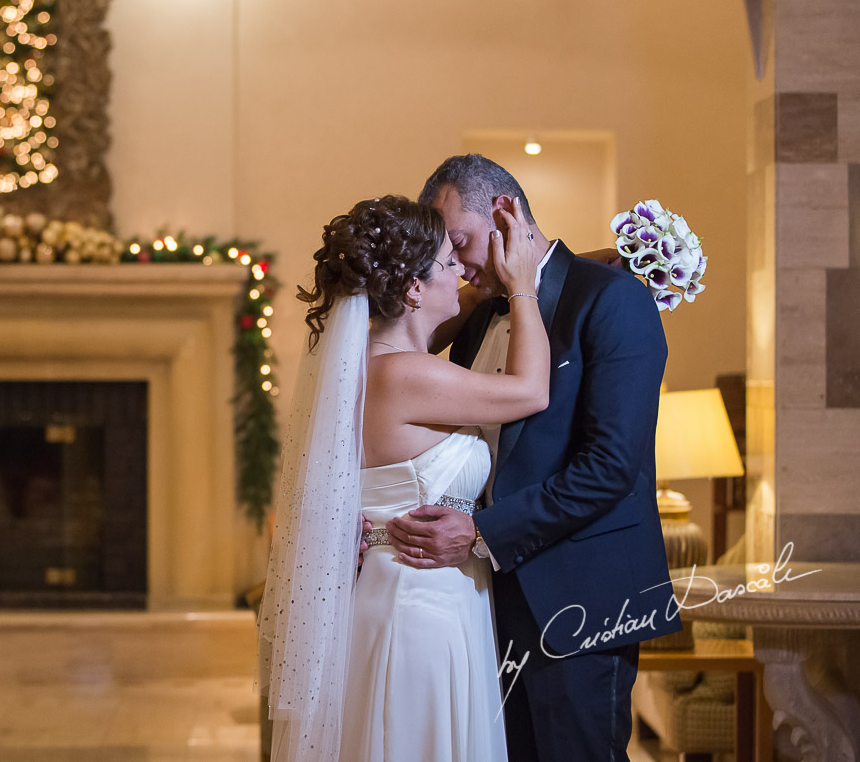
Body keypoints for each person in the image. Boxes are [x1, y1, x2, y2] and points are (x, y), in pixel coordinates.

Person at [391, 153, 679, 761]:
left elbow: (610, 467)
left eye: (460, 242)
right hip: (488, 602)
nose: (458, 267)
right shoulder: (479, 318)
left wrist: (479, 533)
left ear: (504, 213)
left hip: (583, 600)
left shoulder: (612, 301)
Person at [259, 192, 548, 762]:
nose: (463, 274)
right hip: (422, 608)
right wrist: (522, 286)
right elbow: (532, 391)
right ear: (413, 288)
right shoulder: (407, 375)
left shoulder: (366, 371)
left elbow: (444, 316)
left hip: (401, 592)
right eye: (448, 263)